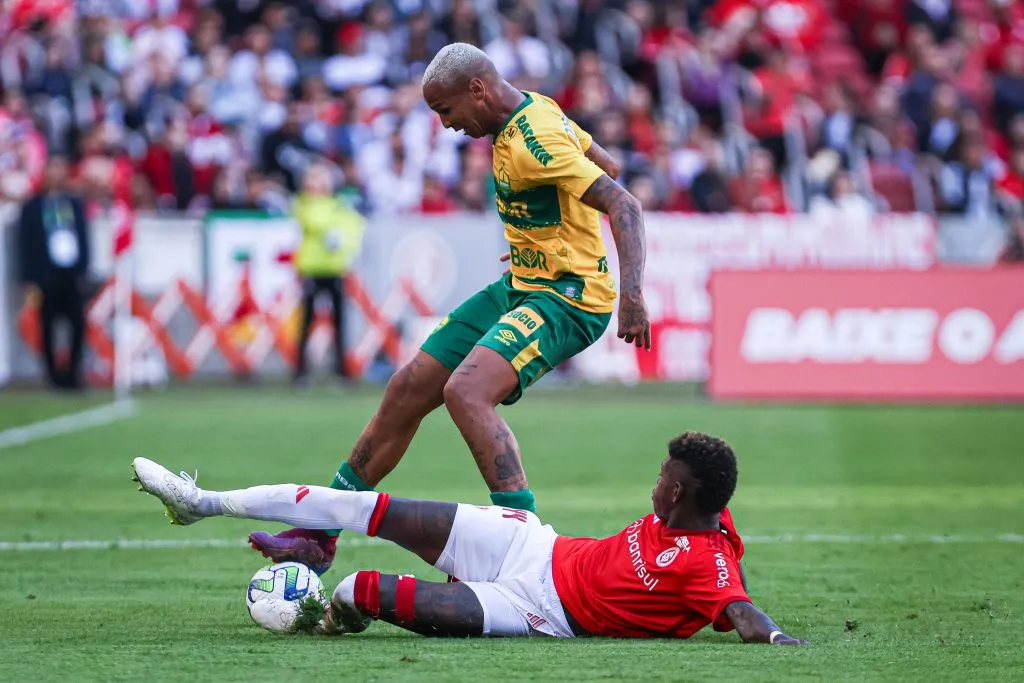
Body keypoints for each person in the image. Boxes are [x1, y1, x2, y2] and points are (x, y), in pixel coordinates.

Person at [249, 43, 652, 573]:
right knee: (409, 386)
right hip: (523, 283)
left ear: (477, 89)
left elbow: (624, 201)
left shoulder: (537, 139)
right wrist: (545, 234)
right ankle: (320, 533)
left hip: (569, 298)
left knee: (466, 391)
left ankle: (521, 552)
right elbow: (607, 163)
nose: (446, 125)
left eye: (446, 110)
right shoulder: (537, 106)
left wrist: (633, 295)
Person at [131, 432, 806, 644]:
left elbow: (742, 610)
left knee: (362, 590)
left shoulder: (706, 560)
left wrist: (777, 638)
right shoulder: (706, 520)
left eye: (664, 477)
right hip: (529, 546)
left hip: (538, 611)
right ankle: (201, 502)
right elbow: (726, 565)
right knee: (361, 506)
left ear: (680, 493)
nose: (655, 483)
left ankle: (326, 615)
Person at [16, 155, 91, 390]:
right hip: (45, 275)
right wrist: (29, 278)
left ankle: (73, 372)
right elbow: (26, 245)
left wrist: (84, 270)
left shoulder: (73, 204)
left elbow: (84, 239)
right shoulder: (32, 207)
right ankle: (52, 375)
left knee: (78, 324)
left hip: (70, 273)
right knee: (47, 326)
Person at [292, 162, 365, 386]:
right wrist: (335, 228)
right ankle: (300, 371)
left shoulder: (337, 206)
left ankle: (342, 371)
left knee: (339, 322)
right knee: (306, 322)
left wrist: (345, 243)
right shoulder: (304, 204)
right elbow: (314, 221)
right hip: (312, 269)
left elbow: (354, 226)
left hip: (334, 269)